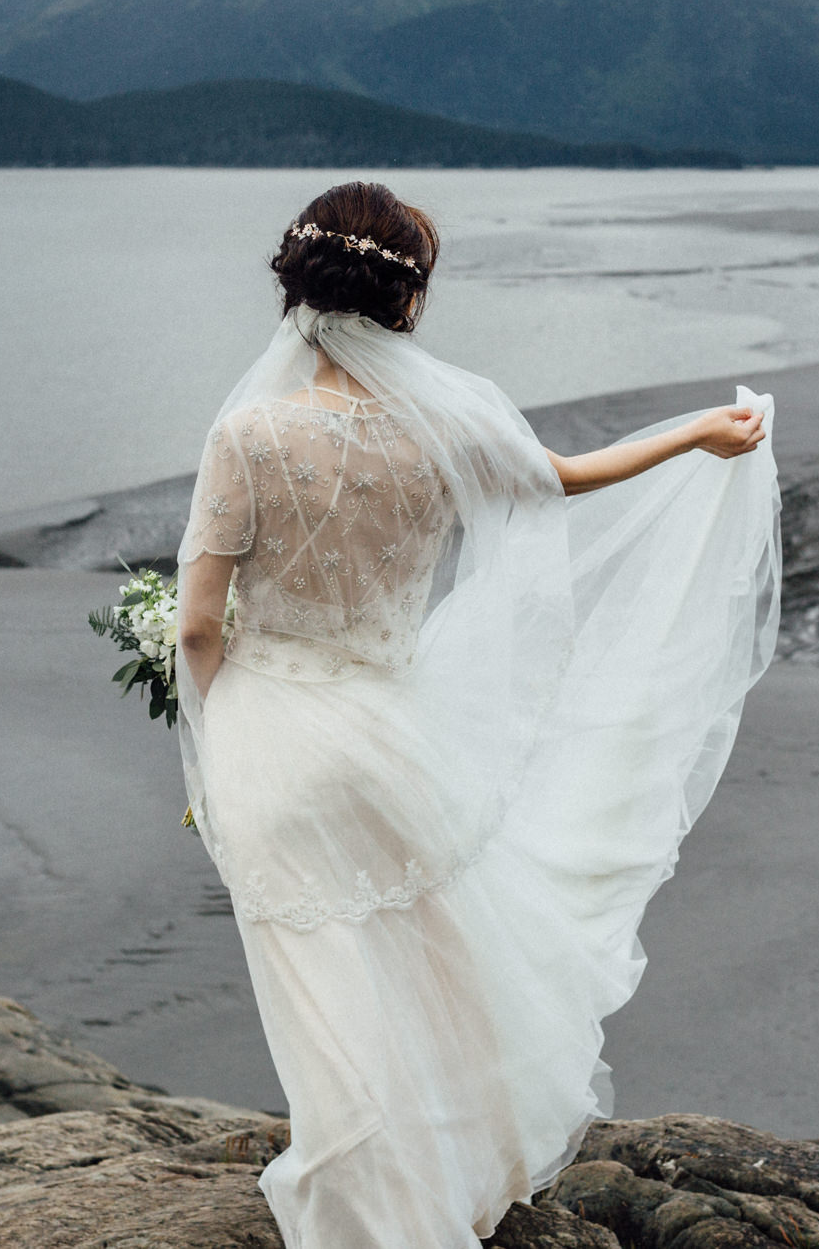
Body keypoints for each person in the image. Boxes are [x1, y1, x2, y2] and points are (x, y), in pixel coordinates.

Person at [174, 180, 781, 1248]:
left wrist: (221, 720)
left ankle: (364, 1201)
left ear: (295, 284)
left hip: (279, 730)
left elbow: (195, 626)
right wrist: (696, 432)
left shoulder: (249, 435)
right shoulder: (444, 426)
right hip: (394, 739)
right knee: (436, 959)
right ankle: (468, 1165)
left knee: (322, 990)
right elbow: (567, 476)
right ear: (405, 301)